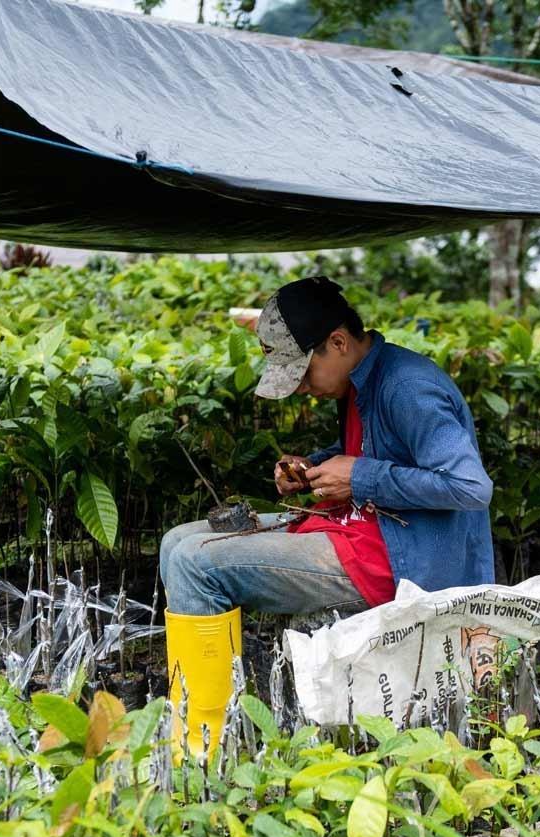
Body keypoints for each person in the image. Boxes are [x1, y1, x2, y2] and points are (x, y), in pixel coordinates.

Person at [159, 275, 494, 754]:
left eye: (303, 373)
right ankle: (204, 719)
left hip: (400, 561)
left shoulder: (407, 387)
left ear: (338, 342)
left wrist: (359, 478)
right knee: (177, 542)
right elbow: (376, 453)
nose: (301, 390)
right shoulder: (364, 380)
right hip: (362, 528)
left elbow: (469, 486)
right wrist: (316, 465)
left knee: (196, 562)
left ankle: (203, 749)